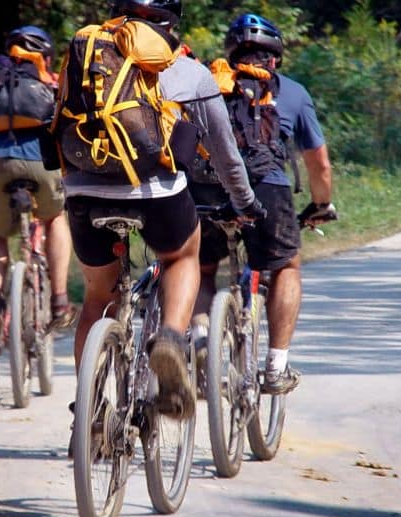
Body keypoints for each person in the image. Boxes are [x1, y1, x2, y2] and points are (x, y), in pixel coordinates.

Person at [59, 0, 261, 419]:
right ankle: (169, 337)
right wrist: (245, 202)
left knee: (98, 298)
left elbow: (57, 123)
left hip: (84, 192)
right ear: (173, 24)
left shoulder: (87, 55)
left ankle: (90, 415)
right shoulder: (187, 70)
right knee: (182, 255)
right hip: (157, 193)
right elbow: (225, 153)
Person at [192, 13, 335, 395]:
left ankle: (202, 340)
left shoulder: (207, 83)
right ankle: (275, 367)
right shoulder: (292, 92)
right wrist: (322, 204)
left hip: (207, 189)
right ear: (276, 56)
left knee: (201, 269)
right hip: (267, 189)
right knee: (286, 265)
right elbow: (318, 163)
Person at [0, 25, 75, 353]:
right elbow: (67, 135)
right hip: (41, 164)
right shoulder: (51, 81)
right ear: (46, 55)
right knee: (55, 219)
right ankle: (59, 300)